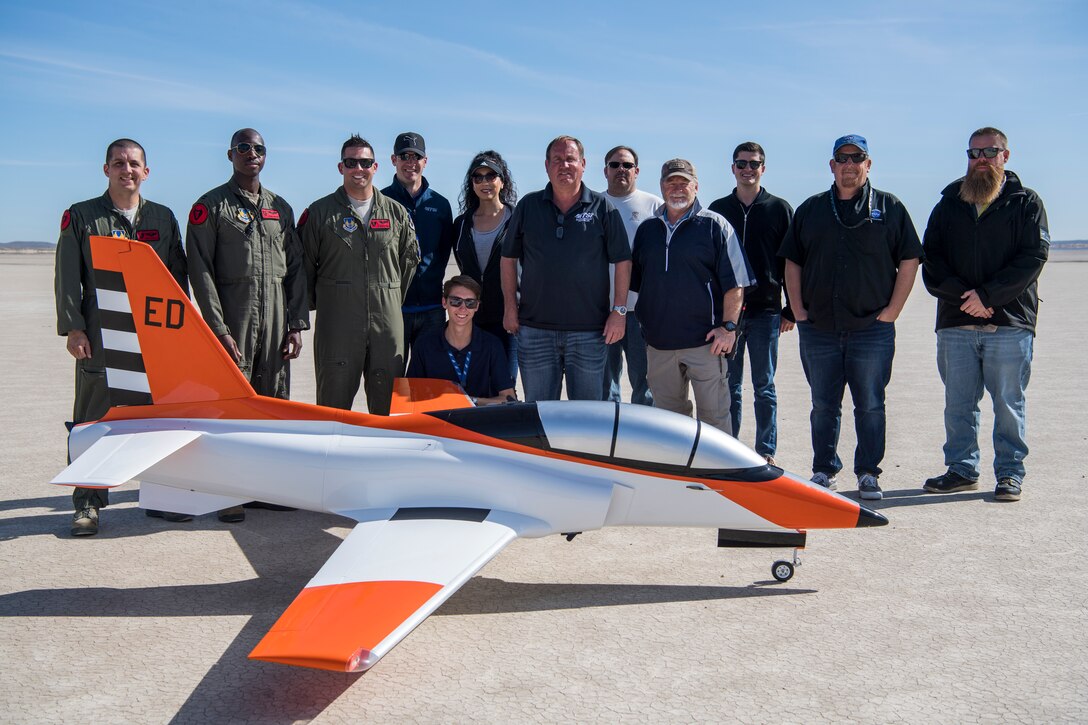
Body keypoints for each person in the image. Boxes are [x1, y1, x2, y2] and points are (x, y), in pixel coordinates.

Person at [55, 138, 190, 536]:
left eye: (133, 164)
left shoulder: (163, 218)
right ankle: (88, 503)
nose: (126, 170)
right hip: (100, 331)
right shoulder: (82, 216)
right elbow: (67, 276)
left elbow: (176, 279)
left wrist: (178, 335)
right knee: (93, 419)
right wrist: (74, 327)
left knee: (159, 420)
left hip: (154, 332)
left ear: (146, 172)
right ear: (106, 170)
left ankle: (162, 496)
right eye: (118, 163)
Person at [779, 134, 923, 501]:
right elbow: (792, 261)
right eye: (842, 158)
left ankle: (868, 473)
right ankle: (824, 470)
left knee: (870, 404)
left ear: (868, 164)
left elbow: (909, 258)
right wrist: (798, 310)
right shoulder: (812, 209)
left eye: (856, 158)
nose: (849, 164)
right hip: (820, 328)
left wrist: (892, 312)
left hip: (871, 328)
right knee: (823, 404)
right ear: (831, 165)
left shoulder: (889, 208)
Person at [186, 128, 309, 523]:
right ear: (230, 154)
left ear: (265, 156)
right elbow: (200, 270)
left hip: (275, 320)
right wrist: (217, 328)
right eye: (243, 148)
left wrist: (295, 323)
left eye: (257, 149)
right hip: (234, 318)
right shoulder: (211, 207)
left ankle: (265, 488)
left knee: (272, 403)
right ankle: (227, 492)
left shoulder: (280, 208)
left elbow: (295, 270)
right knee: (231, 408)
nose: (250, 154)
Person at [921, 127, 1049, 502]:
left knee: (1008, 403)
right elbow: (932, 258)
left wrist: (989, 297)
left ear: (1005, 157)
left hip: (1009, 323)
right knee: (958, 403)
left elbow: (1032, 259)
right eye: (974, 153)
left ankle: (1010, 473)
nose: (981, 159)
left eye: (989, 152)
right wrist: (967, 299)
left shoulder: (1026, 202)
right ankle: (962, 468)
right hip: (957, 322)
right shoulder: (949, 203)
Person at [501, 135, 631, 402]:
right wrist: (510, 308)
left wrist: (619, 311)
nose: (564, 165)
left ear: (583, 164)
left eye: (570, 159)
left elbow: (622, 261)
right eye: (557, 160)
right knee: (538, 414)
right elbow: (508, 258)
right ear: (547, 165)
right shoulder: (528, 205)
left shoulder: (602, 207)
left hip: (589, 333)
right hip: (535, 331)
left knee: (587, 418)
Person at [300, 134, 419, 414]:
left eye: (365, 162)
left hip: (387, 327)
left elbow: (409, 263)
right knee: (332, 410)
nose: (359, 169)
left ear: (375, 167)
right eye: (351, 162)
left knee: (389, 410)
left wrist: (387, 297)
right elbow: (305, 266)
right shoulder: (320, 213)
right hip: (338, 327)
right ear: (341, 167)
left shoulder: (396, 214)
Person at [630, 159, 754, 432]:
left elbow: (736, 284)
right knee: (671, 428)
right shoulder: (647, 231)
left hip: (705, 344)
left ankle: (718, 476)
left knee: (715, 423)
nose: (677, 188)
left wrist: (729, 328)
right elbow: (639, 284)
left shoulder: (715, 226)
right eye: (671, 182)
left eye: (683, 183)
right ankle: (677, 475)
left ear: (695, 187)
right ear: (662, 187)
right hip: (660, 346)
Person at [709, 142, 795, 465]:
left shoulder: (779, 209)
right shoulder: (718, 210)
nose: (748, 169)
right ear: (732, 168)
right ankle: (731, 449)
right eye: (741, 163)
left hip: (766, 313)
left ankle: (765, 451)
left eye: (754, 164)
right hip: (727, 316)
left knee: (764, 385)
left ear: (763, 168)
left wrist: (790, 310)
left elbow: (790, 263)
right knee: (729, 384)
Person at [381, 132, 454, 368]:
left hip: (432, 309)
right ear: (394, 159)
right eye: (404, 156)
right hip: (394, 309)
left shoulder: (440, 205)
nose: (410, 163)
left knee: (429, 378)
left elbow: (444, 251)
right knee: (391, 381)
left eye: (416, 156)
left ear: (425, 161)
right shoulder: (381, 201)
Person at [601, 145, 663, 406]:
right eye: (615, 165)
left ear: (636, 171)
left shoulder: (655, 206)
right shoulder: (594, 204)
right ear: (605, 171)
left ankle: (642, 440)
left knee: (645, 382)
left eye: (627, 165)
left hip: (641, 311)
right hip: (601, 309)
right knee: (606, 383)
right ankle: (609, 437)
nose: (621, 170)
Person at [452, 151, 518, 382]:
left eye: (491, 176)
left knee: (505, 385)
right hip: (471, 318)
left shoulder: (518, 220)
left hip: (509, 319)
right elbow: (463, 267)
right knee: (473, 385)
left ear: (502, 181)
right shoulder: (461, 224)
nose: (484, 182)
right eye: (477, 177)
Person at [407, 276, 517, 405]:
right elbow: (411, 395)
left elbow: (509, 399)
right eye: (456, 301)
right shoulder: (424, 344)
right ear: (444, 302)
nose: (463, 308)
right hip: (437, 419)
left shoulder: (492, 345)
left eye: (470, 302)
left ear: (477, 306)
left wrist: (468, 401)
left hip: (478, 420)